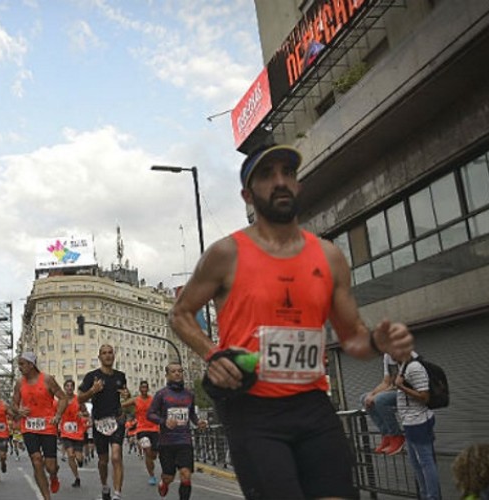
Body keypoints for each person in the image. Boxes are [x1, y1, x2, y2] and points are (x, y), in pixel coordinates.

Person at [170, 144, 415, 498]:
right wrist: (212, 354)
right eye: (267, 175)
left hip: (312, 403)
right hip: (252, 409)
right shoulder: (226, 254)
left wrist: (378, 342)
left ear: (298, 185)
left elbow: (353, 339)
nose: (280, 181)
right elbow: (179, 313)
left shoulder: (329, 256)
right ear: (247, 195)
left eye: (288, 173)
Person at [11, 352, 68, 500]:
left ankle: (53, 475)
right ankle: (46, 497)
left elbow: (63, 398)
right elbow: (14, 404)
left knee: (50, 466)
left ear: (31, 364)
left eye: (22, 364)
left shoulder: (47, 379)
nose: (19, 367)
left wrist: (58, 415)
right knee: (36, 460)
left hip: (48, 426)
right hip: (29, 426)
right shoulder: (19, 383)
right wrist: (19, 410)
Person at [147, 362, 208, 500]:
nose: (177, 374)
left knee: (186, 475)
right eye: (173, 371)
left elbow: (191, 414)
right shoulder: (161, 394)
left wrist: (198, 422)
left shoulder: (189, 394)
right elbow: (150, 414)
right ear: (167, 375)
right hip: (167, 442)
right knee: (169, 476)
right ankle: (164, 482)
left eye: (180, 371)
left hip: (184, 441)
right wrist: (164, 421)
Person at [78, 344, 130, 500]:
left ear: (114, 356)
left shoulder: (120, 376)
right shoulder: (91, 376)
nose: (108, 355)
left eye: (110, 353)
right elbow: (79, 398)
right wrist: (92, 391)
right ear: (99, 357)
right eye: (104, 353)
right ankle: (105, 486)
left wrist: (127, 395)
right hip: (99, 422)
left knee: (116, 456)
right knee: (103, 461)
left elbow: (125, 394)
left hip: (117, 420)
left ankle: (117, 494)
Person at [395, 351, 440, 499]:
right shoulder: (403, 366)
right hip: (410, 422)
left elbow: (424, 397)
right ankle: (425, 495)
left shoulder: (414, 367)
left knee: (426, 462)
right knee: (417, 463)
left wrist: (401, 387)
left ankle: (432, 496)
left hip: (418, 422)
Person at [362, 353, 405, 455]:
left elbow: (400, 383)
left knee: (380, 399)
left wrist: (376, 395)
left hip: (405, 390)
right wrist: (372, 394)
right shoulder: (387, 356)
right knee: (364, 398)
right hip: (394, 389)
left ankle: (396, 435)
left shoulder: (405, 354)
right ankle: (387, 435)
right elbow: (386, 382)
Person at [124, 380, 160, 485]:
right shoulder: (136, 400)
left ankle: (151, 464)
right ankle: (152, 476)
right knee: (147, 450)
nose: (144, 389)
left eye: (145, 387)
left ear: (148, 389)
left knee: (153, 455)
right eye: (142, 387)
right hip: (141, 429)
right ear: (139, 389)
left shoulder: (153, 400)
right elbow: (122, 405)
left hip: (154, 429)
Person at [58, 379, 86, 488]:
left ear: (73, 388)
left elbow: (86, 412)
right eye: (67, 386)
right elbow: (56, 412)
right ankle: (77, 478)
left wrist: (82, 414)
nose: (69, 388)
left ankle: (80, 460)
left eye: (71, 386)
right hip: (66, 432)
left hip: (78, 432)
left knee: (79, 457)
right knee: (70, 455)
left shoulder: (79, 400)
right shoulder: (61, 400)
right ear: (64, 388)